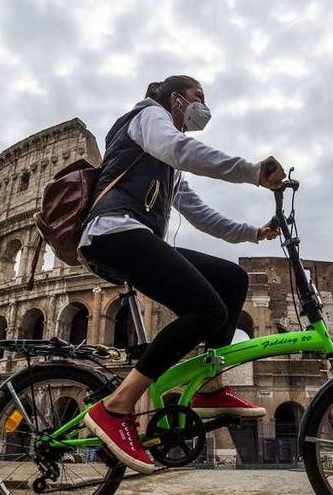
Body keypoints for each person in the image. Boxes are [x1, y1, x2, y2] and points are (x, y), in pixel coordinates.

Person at [79, 75, 286, 474]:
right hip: (113, 232)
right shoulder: (146, 118)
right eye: (198, 97)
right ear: (174, 99)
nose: (203, 106)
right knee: (207, 309)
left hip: (135, 235)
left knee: (231, 280)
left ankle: (210, 387)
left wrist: (253, 232)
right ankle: (116, 406)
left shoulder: (169, 170)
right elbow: (180, 147)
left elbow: (202, 216)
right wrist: (252, 172)